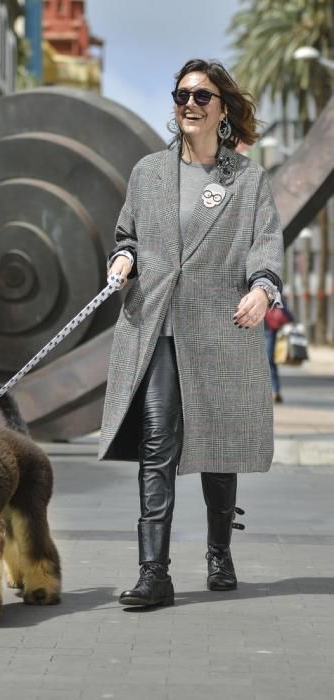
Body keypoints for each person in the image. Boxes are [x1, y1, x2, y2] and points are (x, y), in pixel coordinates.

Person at [99, 58, 284, 607]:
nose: (190, 105)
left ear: (223, 109)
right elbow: (127, 233)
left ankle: (219, 549)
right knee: (158, 445)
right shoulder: (148, 172)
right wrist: (123, 259)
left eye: (202, 97)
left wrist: (262, 286)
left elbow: (266, 242)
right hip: (156, 324)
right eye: (182, 95)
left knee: (217, 447)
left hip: (220, 326)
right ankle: (153, 572)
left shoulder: (246, 178)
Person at [264, 295, 294, 403]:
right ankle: (275, 391)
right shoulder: (275, 291)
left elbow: (287, 315)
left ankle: (274, 391)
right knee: (269, 362)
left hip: (267, 330)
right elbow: (288, 316)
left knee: (268, 362)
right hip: (269, 330)